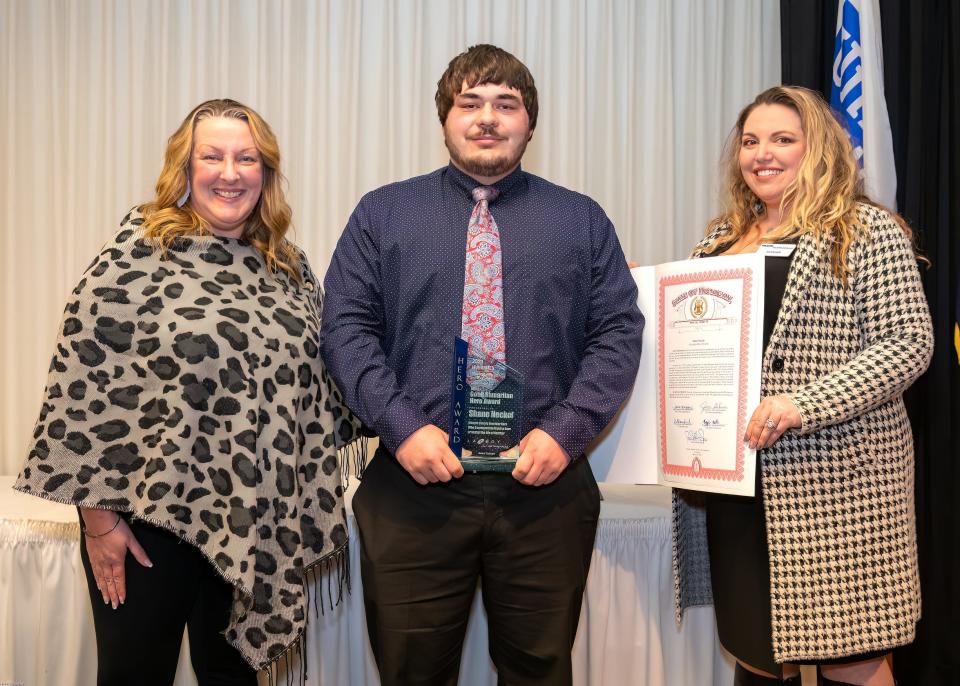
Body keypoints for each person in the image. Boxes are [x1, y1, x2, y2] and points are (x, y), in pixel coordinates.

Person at [319, 44, 643, 685]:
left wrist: (567, 431)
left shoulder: (579, 219)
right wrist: (403, 428)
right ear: (445, 118)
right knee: (411, 672)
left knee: (539, 670)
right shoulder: (384, 214)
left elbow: (616, 334)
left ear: (530, 122)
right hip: (414, 488)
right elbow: (346, 330)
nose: (487, 118)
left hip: (544, 490)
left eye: (506, 104)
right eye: (470, 103)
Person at [14, 98, 362, 685]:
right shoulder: (136, 256)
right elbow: (84, 394)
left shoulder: (289, 269)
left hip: (253, 521)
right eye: (213, 156)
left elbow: (318, 387)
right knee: (133, 676)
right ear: (185, 168)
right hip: (145, 524)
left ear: (265, 172)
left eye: (246, 158)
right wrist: (98, 525)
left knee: (232, 679)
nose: (230, 172)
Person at [672, 85, 934, 686]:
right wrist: (642, 300)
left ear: (817, 150)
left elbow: (908, 345)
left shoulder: (864, 231)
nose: (762, 154)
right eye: (751, 141)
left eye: (783, 139)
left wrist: (802, 404)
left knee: (855, 658)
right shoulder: (718, 239)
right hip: (738, 482)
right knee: (755, 648)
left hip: (839, 487)